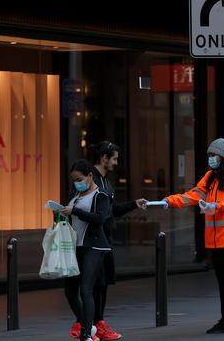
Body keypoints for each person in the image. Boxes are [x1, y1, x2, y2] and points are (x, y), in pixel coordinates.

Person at [162, 138, 224, 333]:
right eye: (209, 155)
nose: (210, 159)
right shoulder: (211, 176)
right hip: (216, 238)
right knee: (223, 278)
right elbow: (193, 195)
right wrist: (168, 201)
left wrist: (217, 207)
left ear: (222, 157)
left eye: (213, 155)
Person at [90, 141, 147, 341]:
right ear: (104, 158)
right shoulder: (92, 179)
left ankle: (98, 322)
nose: (116, 163)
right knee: (95, 283)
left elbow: (111, 210)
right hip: (94, 240)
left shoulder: (106, 181)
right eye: (113, 158)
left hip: (106, 239)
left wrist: (133, 205)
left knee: (103, 281)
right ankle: (90, 323)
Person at [60, 159, 112, 341]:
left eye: (79, 179)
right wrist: (61, 212)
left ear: (90, 176)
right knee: (70, 291)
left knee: (86, 289)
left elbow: (100, 219)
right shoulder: (76, 194)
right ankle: (87, 325)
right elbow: (71, 215)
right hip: (75, 247)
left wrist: (75, 211)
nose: (77, 183)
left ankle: (86, 334)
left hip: (94, 246)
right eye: (74, 179)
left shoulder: (101, 195)